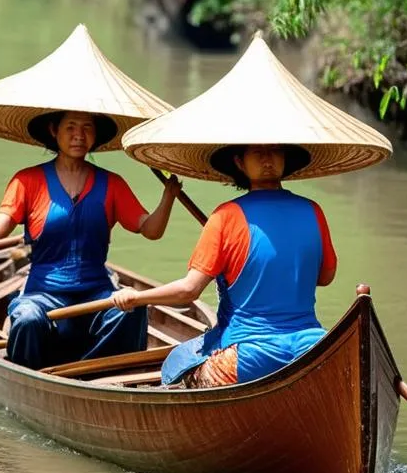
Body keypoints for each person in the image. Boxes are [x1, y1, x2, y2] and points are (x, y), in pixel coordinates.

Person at [111, 143, 336, 388]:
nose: (267, 158)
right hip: (314, 346)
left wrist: (136, 298)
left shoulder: (226, 216)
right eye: (258, 152)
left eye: (274, 150)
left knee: (175, 362)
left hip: (247, 356)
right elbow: (325, 277)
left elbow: (189, 290)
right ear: (240, 162)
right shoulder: (313, 210)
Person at [0, 110, 180, 369]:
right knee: (26, 319)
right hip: (43, 294)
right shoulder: (27, 180)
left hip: (97, 293)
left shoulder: (111, 183)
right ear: (53, 130)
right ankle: (30, 376)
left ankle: (101, 374)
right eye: (70, 127)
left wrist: (168, 196)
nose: (79, 135)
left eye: (87, 128)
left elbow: (150, 230)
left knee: (134, 308)